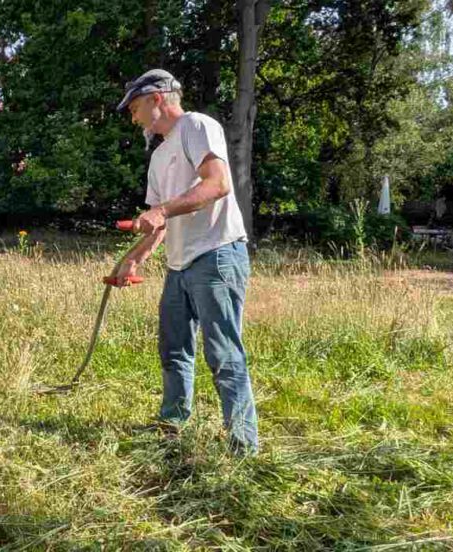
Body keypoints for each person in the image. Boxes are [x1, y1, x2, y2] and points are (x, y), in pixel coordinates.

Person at [113, 69, 258, 455]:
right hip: (179, 267)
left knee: (223, 353)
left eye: (135, 107)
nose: (133, 116)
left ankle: (243, 445)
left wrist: (161, 210)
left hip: (217, 255)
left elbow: (217, 184)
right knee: (174, 348)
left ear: (157, 98)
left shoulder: (197, 125)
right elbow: (158, 226)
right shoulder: (159, 156)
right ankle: (172, 424)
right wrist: (133, 260)